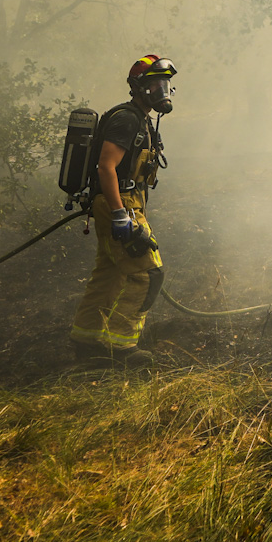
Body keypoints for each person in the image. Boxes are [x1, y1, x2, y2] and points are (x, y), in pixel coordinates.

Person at [70, 55, 175, 367]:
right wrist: (119, 214)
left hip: (124, 201)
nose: (163, 90)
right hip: (119, 202)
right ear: (139, 88)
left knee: (110, 272)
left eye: (166, 84)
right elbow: (106, 166)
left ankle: (86, 341)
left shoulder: (141, 119)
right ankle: (121, 347)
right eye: (155, 84)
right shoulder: (127, 119)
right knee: (148, 273)